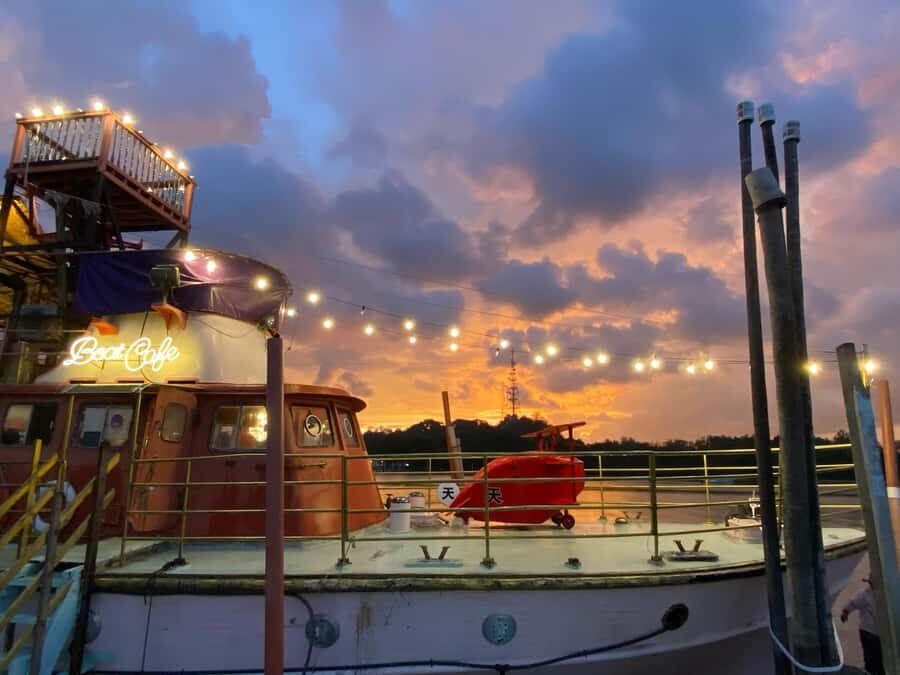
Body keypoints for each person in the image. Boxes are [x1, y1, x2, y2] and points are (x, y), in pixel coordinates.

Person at [840, 578, 883, 675]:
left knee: (874, 657)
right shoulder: (866, 594)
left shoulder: (866, 594)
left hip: (873, 632)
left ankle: (873, 671)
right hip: (869, 632)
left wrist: (845, 612)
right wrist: (845, 612)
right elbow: (852, 603)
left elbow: (852, 603)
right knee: (873, 656)